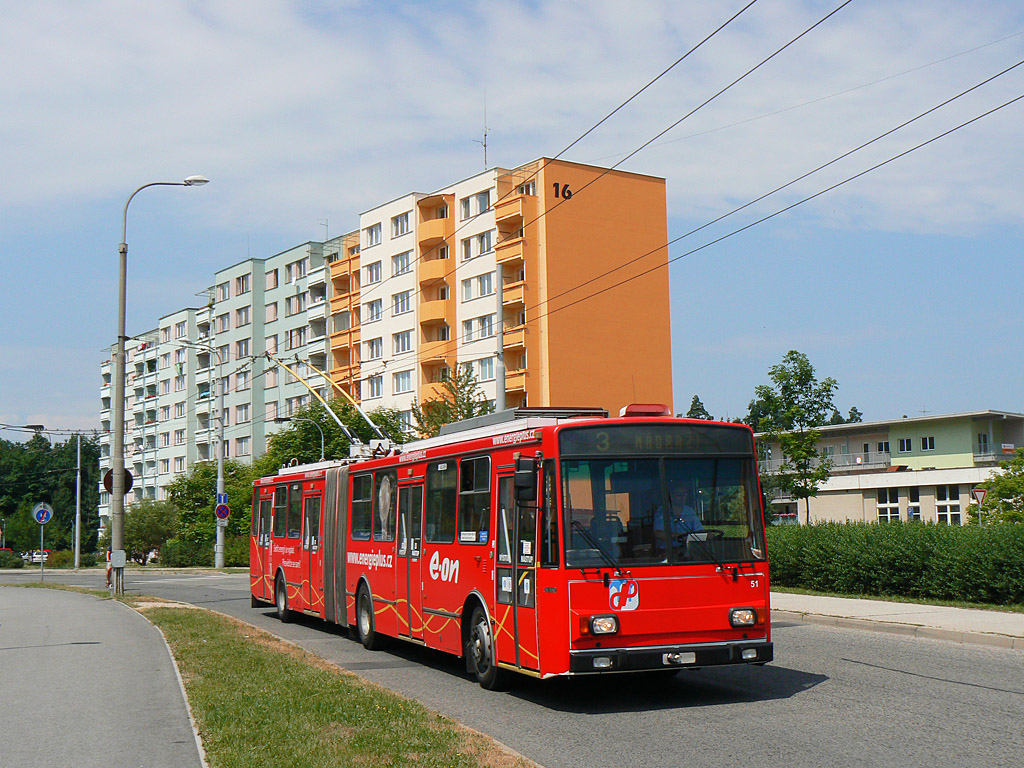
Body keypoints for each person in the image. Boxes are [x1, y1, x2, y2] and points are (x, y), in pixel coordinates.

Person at [653, 481, 703, 554]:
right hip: (666, 553)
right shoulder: (663, 511)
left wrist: (706, 536)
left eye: (684, 495)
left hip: (688, 551)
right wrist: (677, 536)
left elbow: (699, 531)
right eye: (679, 495)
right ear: (671, 496)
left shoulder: (690, 511)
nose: (682, 498)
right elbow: (658, 533)